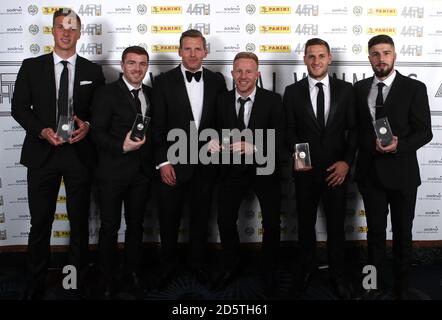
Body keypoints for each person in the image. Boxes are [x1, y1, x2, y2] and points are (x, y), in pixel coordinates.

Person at [11, 8, 105, 299]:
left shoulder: (93, 70)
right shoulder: (31, 66)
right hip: (42, 153)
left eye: (72, 28)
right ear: (53, 31)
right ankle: (36, 282)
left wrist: (88, 126)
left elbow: (99, 114)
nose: (66, 33)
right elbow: (18, 109)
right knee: (40, 222)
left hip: (79, 154)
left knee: (79, 223)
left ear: (79, 33)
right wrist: (42, 131)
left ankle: (72, 280)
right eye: (61, 27)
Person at [354, 35, 432, 300]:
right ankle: (371, 285)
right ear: (369, 58)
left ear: (394, 55)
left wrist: (399, 144)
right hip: (370, 174)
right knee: (374, 234)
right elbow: (355, 131)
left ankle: (401, 288)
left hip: (403, 176)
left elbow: (425, 132)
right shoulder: (359, 88)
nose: (381, 58)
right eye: (375, 54)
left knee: (402, 234)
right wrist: (371, 145)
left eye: (386, 53)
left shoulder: (414, 88)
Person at [151, 29, 226, 287]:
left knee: (200, 219)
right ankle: (167, 267)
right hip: (172, 164)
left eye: (198, 49)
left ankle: (197, 264)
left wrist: (219, 142)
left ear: (206, 51)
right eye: (187, 49)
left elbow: (221, 122)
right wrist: (162, 162)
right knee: (168, 219)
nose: (193, 54)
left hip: (205, 166)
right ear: (179, 51)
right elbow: (157, 128)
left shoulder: (218, 81)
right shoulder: (162, 82)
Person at [284, 38, 356, 299]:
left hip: (337, 171)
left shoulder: (347, 90)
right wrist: (299, 156)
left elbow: (354, 130)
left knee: (337, 226)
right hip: (305, 172)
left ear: (330, 59)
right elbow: (289, 130)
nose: (316, 61)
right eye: (311, 56)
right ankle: (305, 270)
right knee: (305, 225)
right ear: (304, 59)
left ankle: (338, 275)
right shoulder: (292, 92)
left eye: (321, 56)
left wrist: (347, 162)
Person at [212, 52, 284, 296]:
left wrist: (254, 146)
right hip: (231, 171)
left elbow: (282, 139)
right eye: (238, 71)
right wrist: (209, 142)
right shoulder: (220, 100)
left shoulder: (274, 101)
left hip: (265, 168)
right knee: (225, 220)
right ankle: (231, 266)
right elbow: (211, 131)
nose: (243, 76)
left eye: (248, 71)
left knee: (272, 224)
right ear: (232, 73)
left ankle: (268, 271)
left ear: (257, 74)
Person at [90, 46, 152, 299]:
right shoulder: (106, 93)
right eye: (132, 63)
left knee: (136, 225)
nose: (137, 68)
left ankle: (132, 271)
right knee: (109, 227)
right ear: (122, 65)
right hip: (112, 173)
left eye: (142, 64)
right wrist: (121, 146)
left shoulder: (151, 93)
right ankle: (107, 277)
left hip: (141, 174)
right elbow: (97, 133)